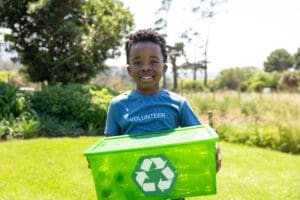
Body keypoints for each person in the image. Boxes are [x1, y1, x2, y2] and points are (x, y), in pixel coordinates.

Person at [104, 28, 221, 200]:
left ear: (164, 67)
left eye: (153, 61)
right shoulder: (117, 105)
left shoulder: (178, 103)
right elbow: (109, 147)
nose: (145, 68)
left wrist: (213, 147)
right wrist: (100, 160)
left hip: (172, 190)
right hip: (134, 191)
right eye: (137, 62)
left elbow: (199, 136)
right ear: (129, 69)